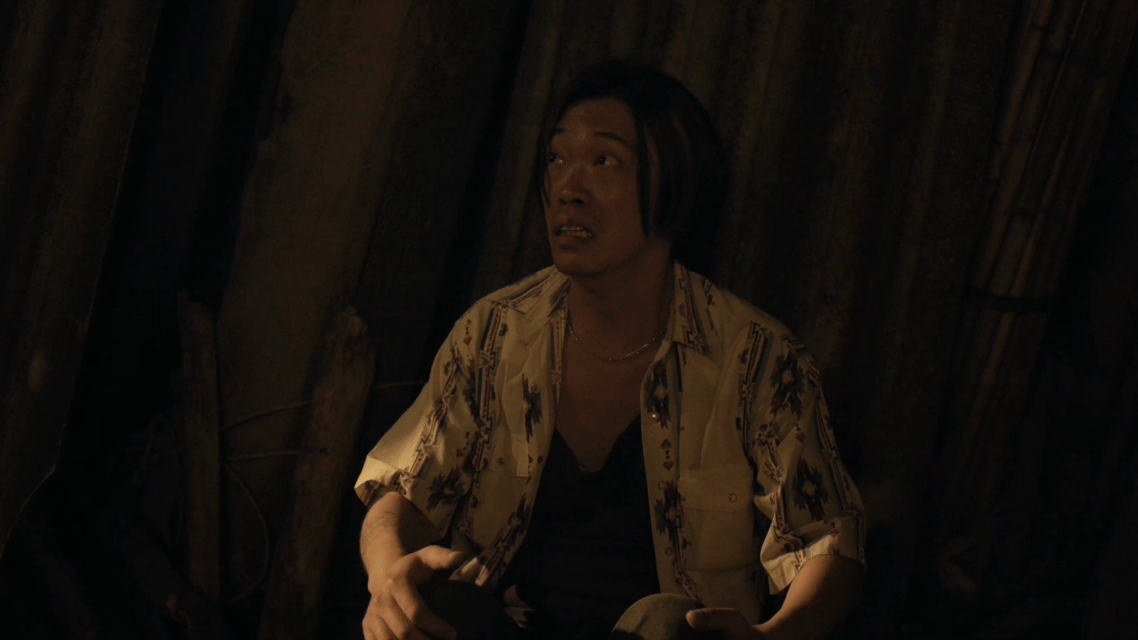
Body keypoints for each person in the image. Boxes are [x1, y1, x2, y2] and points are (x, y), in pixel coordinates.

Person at [356, 61, 866, 640]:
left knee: (667, 623)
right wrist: (388, 575)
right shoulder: (494, 333)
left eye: (604, 161)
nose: (567, 190)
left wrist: (774, 636)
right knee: (440, 609)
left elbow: (828, 541)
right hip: (511, 624)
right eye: (556, 159)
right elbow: (406, 488)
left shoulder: (757, 359)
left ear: (674, 185)